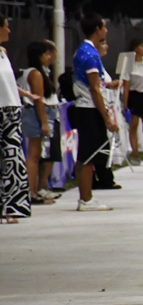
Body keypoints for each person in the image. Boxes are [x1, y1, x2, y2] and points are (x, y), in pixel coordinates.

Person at [71, 14, 118, 211]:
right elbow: (95, 89)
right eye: (104, 27)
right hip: (89, 109)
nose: (106, 31)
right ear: (97, 28)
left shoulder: (84, 51)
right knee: (89, 156)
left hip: (86, 108)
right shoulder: (90, 54)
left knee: (87, 155)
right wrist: (107, 117)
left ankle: (86, 197)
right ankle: (86, 199)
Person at [1, 15, 35, 223]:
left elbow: (9, 82)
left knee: (12, 160)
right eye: (6, 26)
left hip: (11, 110)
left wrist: (26, 94)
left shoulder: (4, 54)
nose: (9, 31)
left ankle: (12, 207)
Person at [19, 41, 61, 205]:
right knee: (34, 156)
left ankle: (34, 191)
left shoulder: (38, 72)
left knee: (36, 155)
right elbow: (39, 100)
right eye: (46, 54)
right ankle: (32, 192)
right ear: (38, 56)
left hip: (38, 114)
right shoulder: (35, 74)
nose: (49, 57)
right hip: (36, 115)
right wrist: (44, 122)